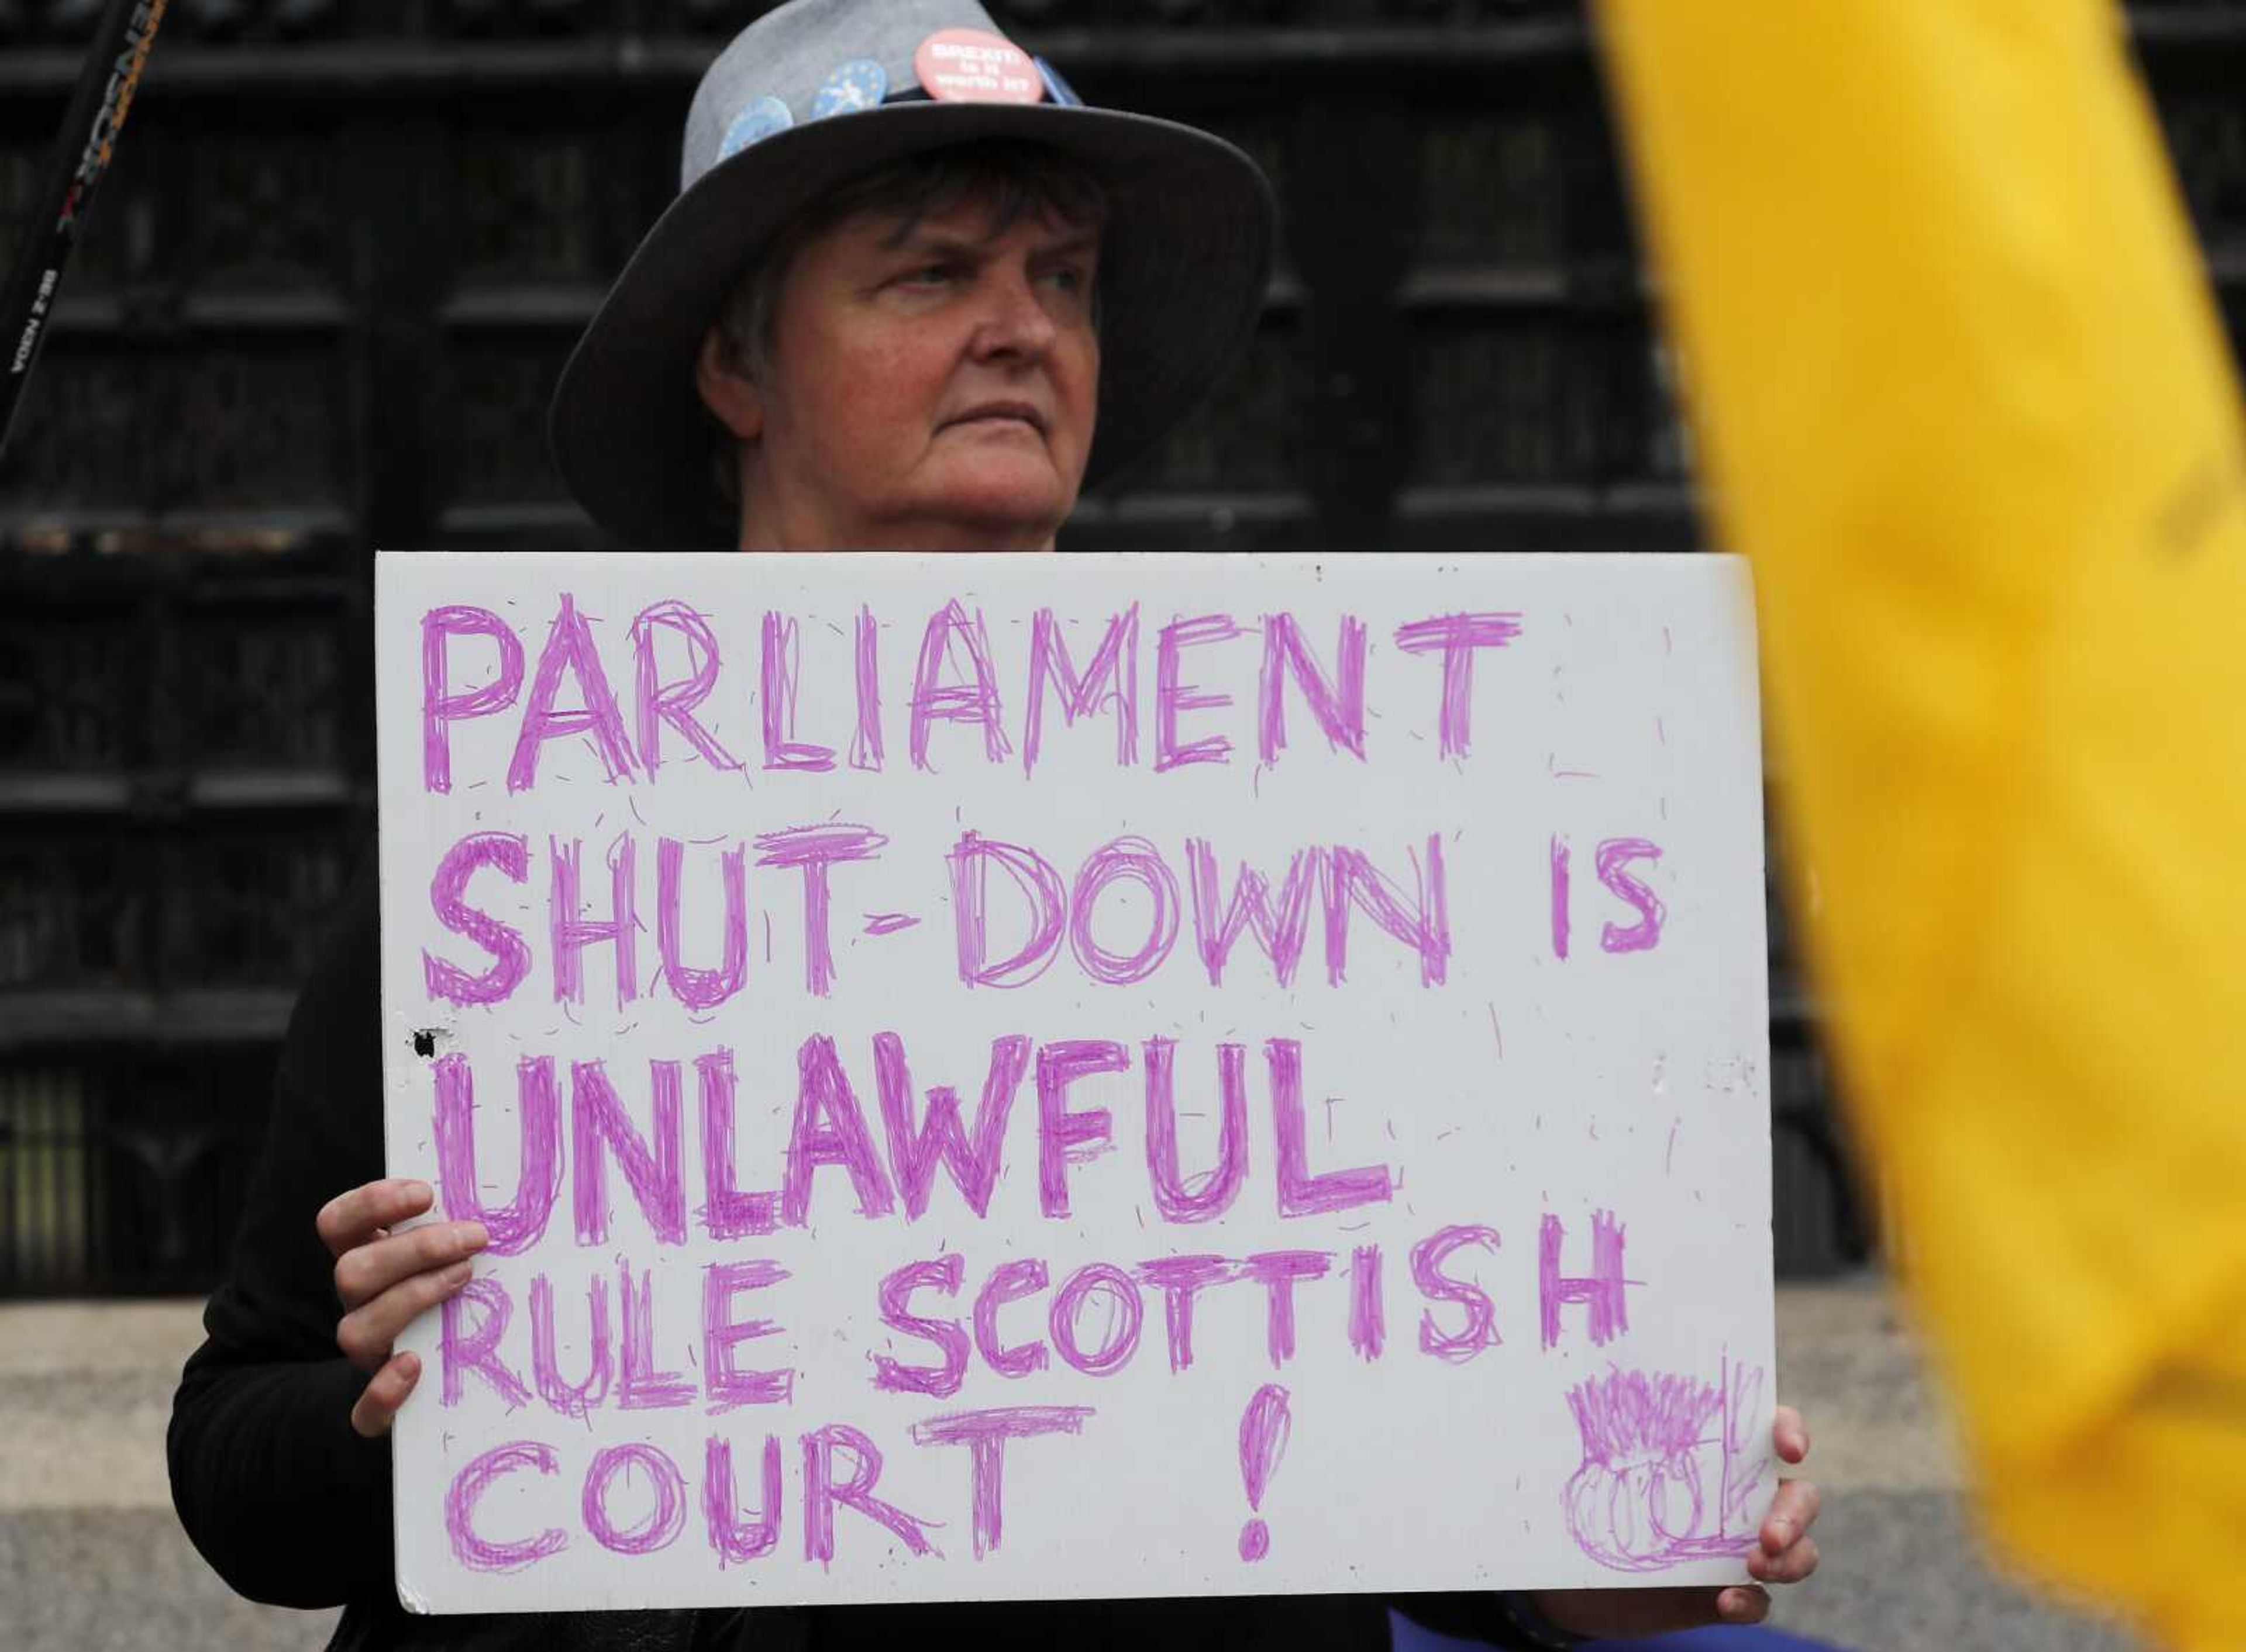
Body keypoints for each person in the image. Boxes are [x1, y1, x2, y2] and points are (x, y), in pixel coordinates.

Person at [167, 2, 1820, 1648]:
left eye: (1066, 282)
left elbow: (1353, 1414)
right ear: (738, 366)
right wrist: (393, 1400)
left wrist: (1583, 1559)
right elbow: (240, 1465)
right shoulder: (532, 846)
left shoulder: (1288, 844)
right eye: (936, 273)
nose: (1024, 328)